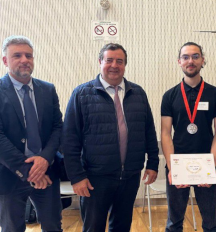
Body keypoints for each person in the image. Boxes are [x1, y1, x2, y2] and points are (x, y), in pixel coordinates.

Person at [62, 43, 159, 232]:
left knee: (122, 226)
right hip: (95, 178)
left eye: (119, 61)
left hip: (130, 176)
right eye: (109, 60)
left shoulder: (138, 93)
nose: (114, 65)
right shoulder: (82, 94)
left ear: (125, 65)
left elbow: (149, 130)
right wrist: (77, 176)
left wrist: (153, 163)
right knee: (93, 227)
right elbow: (69, 139)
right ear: (100, 62)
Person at [161, 42, 216, 232]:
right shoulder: (170, 96)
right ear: (179, 61)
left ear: (203, 60)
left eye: (196, 56)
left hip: (206, 163)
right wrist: (173, 168)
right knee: (174, 223)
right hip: (178, 165)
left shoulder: (215, 94)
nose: (191, 61)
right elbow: (165, 133)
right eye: (186, 57)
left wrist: (211, 166)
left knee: (211, 223)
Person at [0, 35, 63, 231]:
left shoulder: (47, 89)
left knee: (53, 226)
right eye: (17, 55)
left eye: (29, 55)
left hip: (47, 171)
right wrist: (30, 171)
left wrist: (44, 159)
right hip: (9, 173)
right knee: (12, 228)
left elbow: (57, 127)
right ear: (5, 60)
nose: (24, 60)